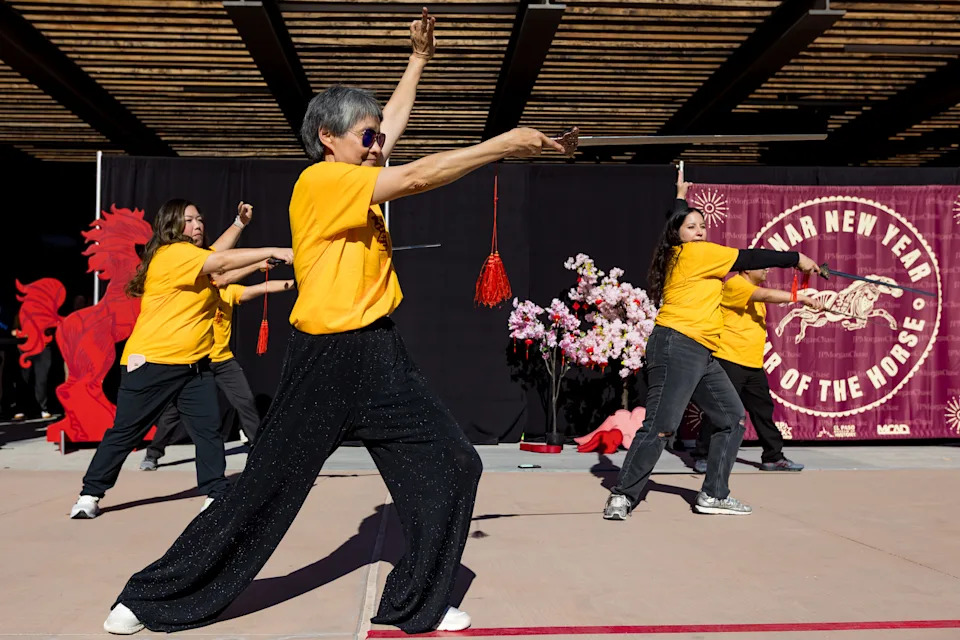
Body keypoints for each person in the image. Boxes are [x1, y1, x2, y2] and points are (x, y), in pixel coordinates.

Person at [102, 10, 565, 636]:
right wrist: (503, 145)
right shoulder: (322, 181)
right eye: (365, 137)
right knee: (265, 488)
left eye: (376, 138)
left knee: (457, 462)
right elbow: (420, 174)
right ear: (328, 137)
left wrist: (418, 59)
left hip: (381, 356)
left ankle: (416, 601)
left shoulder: (356, 166)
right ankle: (151, 596)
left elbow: (393, 131)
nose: (378, 145)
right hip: (327, 358)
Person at [602, 175, 822, 521]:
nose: (701, 231)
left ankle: (714, 495)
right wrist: (796, 258)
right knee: (661, 425)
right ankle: (622, 495)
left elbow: (676, 219)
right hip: (678, 344)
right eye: (692, 227)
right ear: (679, 234)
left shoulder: (679, 252)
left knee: (731, 419)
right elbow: (749, 257)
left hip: (702, 352)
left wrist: (679, 196)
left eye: (703, 226)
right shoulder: (697, 253)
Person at [69, 198, 292, 519]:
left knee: (208, 432)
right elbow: (223, 261)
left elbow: (219, 260)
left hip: (194, 366)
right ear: (171, 227)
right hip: (151, 364)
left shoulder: (195, 259)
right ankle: (90, 494)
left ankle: (216, 493)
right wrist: (276, 251)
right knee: (124, 434)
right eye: (188, 220)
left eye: (200, 219)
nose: (197, 224)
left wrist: (240, 226)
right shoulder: (170, 254)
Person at [139, 277, 296, 470]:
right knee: (173, 412)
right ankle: (153, 454)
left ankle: (258, 452)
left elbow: (262, 287)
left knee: (245, 401)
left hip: (223, 360)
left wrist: (294, 282)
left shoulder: (228, 291)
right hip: (195, 360)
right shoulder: (192, 292)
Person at [691, 267, 820, 473]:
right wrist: (801, 297)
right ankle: (703, 455)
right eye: (763, 265)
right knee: (720, 410)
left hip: (752, 364)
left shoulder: (754, 288)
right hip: (729, 359)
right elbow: (768, 295)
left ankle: (773, 457)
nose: (767, 269)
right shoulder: (736, 284)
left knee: (763, 412)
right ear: (748, 269)